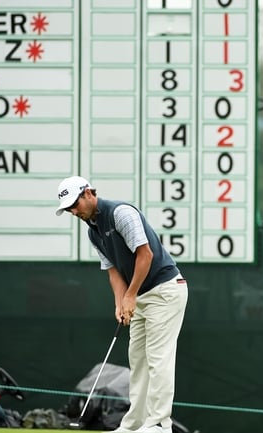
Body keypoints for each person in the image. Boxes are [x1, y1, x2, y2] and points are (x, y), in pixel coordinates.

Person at [55, 176, 188, 433]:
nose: (74, 211)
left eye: (75, 204)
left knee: (158, 359)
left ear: (89, 193)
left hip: (165, 291)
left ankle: (159, 424)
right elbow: (113, 270)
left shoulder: (121, 213)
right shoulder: (93, 230)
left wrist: (131, 295)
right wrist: (120, 302)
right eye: (69, 208)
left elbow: (145, 254)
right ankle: (134, 424)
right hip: (140, 296)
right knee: (137, 359)